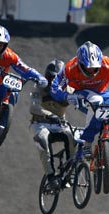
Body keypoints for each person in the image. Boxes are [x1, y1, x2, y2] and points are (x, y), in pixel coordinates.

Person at [51, 41, 109, 173]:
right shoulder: (70, 68)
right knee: (96, 101)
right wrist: (66, 96)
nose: (91, 71)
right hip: (81, 94)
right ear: (79, 63)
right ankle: (87, 143)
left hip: (103, 93)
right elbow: (54, 88)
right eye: (87, 67)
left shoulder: (108, 63)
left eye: (95, 67)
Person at [30, 59, 77, 190]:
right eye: (51, 77)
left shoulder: (69, 90)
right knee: (42, 138)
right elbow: (33, 107)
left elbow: (82, 100)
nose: (54, 82)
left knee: (72, 135)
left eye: (58, 78)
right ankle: (51, 177)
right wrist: (49, 115)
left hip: (59, 124)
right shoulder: (40, 87)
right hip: (40, 123)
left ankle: (71, 172)